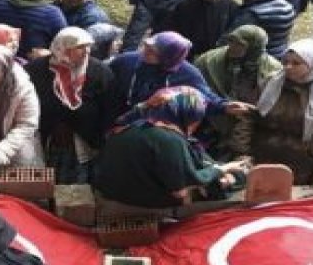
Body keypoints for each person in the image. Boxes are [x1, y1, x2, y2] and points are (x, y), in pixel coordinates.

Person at [94, 86, 249, 209]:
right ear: (188, 114)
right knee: (218, 182)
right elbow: (180, 190)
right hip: (143, 203)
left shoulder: (127, 126)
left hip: (111, 193)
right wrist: (222, 169)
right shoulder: (170, 140)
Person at [231, 38, 313, 186]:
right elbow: (248, 117)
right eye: (285, 62)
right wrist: (242, 153)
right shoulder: (269, 84)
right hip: (262, 155)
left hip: (301, 162)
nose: (288, 67)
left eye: (296, 63)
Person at [24, 27, 116, 184]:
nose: (86, 51)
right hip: (45, 137)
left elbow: (109, 108)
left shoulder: (99, 72)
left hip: (86, 140)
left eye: (88, 46)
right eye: (79, 47)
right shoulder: (37, 70)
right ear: (62, 48)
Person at [106, 31, 237, 129]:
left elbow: (202, 97)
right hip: (116, 120)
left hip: (156, 129)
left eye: (152, 51)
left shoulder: (187, 74)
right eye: (146, 47)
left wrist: (224, 106)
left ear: (168, 57)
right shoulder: (126, 61)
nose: (144, 52)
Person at [194, 25, 283, 160]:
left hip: (249, 129)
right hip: (212, 123)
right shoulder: (208, 61)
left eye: (239, 44)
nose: (232, 46)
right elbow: (194, 89)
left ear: (254, 47)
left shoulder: (273, 70)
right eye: (231, 40)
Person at [224, 0, 296, 59]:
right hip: (279, 57)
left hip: (257, 61)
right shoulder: (289, 7)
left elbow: (230, 40)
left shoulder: (253, 14)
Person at [163, 0, 237, 60]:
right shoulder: (186, 4)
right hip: (190, 51)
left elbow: (233, 25)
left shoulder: (229, 4)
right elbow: (176, 27)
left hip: (217, 50)